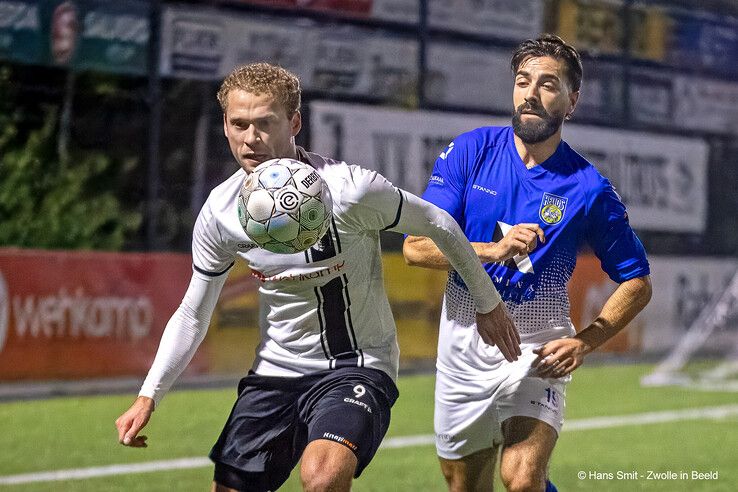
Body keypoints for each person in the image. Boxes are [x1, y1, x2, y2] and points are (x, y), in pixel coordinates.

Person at [115, 62, 520, 492]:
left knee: (323, 476)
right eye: (239, 124)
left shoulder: (350, 190)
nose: (251, 138)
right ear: (225, 126)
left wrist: (488, 302)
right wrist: (149, 393)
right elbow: (193, 314)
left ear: (294, 123)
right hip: (275, 370)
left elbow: (438, 222)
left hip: (358, 365)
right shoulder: (220, 212)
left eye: (265, 123)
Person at [403, 34, 652, 492]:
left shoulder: (589, 189)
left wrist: (586, 341)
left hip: (539, 349)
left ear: (571, 100)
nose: (531, 93)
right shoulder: (471, 151)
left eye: (548, 84)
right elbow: (415, 247)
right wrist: (491, 250)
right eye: (523, 81)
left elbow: (637, 281)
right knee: (464, 485)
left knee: (521, 478)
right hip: (462, 346)